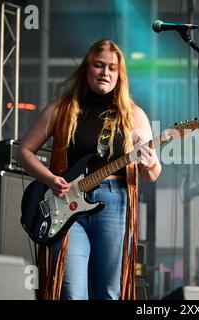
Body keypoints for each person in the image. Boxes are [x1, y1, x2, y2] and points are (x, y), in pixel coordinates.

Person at [17, 39, 161, 300]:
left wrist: (148, 161)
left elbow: (152, 174)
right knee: (71, 291)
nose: (105, 72)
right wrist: (50, 179)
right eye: (99, 65)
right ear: (87, 68)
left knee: (108, 292)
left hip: (114, 202)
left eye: (112, 68)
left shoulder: (133, 115)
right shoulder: (62, 109)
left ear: (120, 75)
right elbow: (24, 151)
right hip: (67, 204)